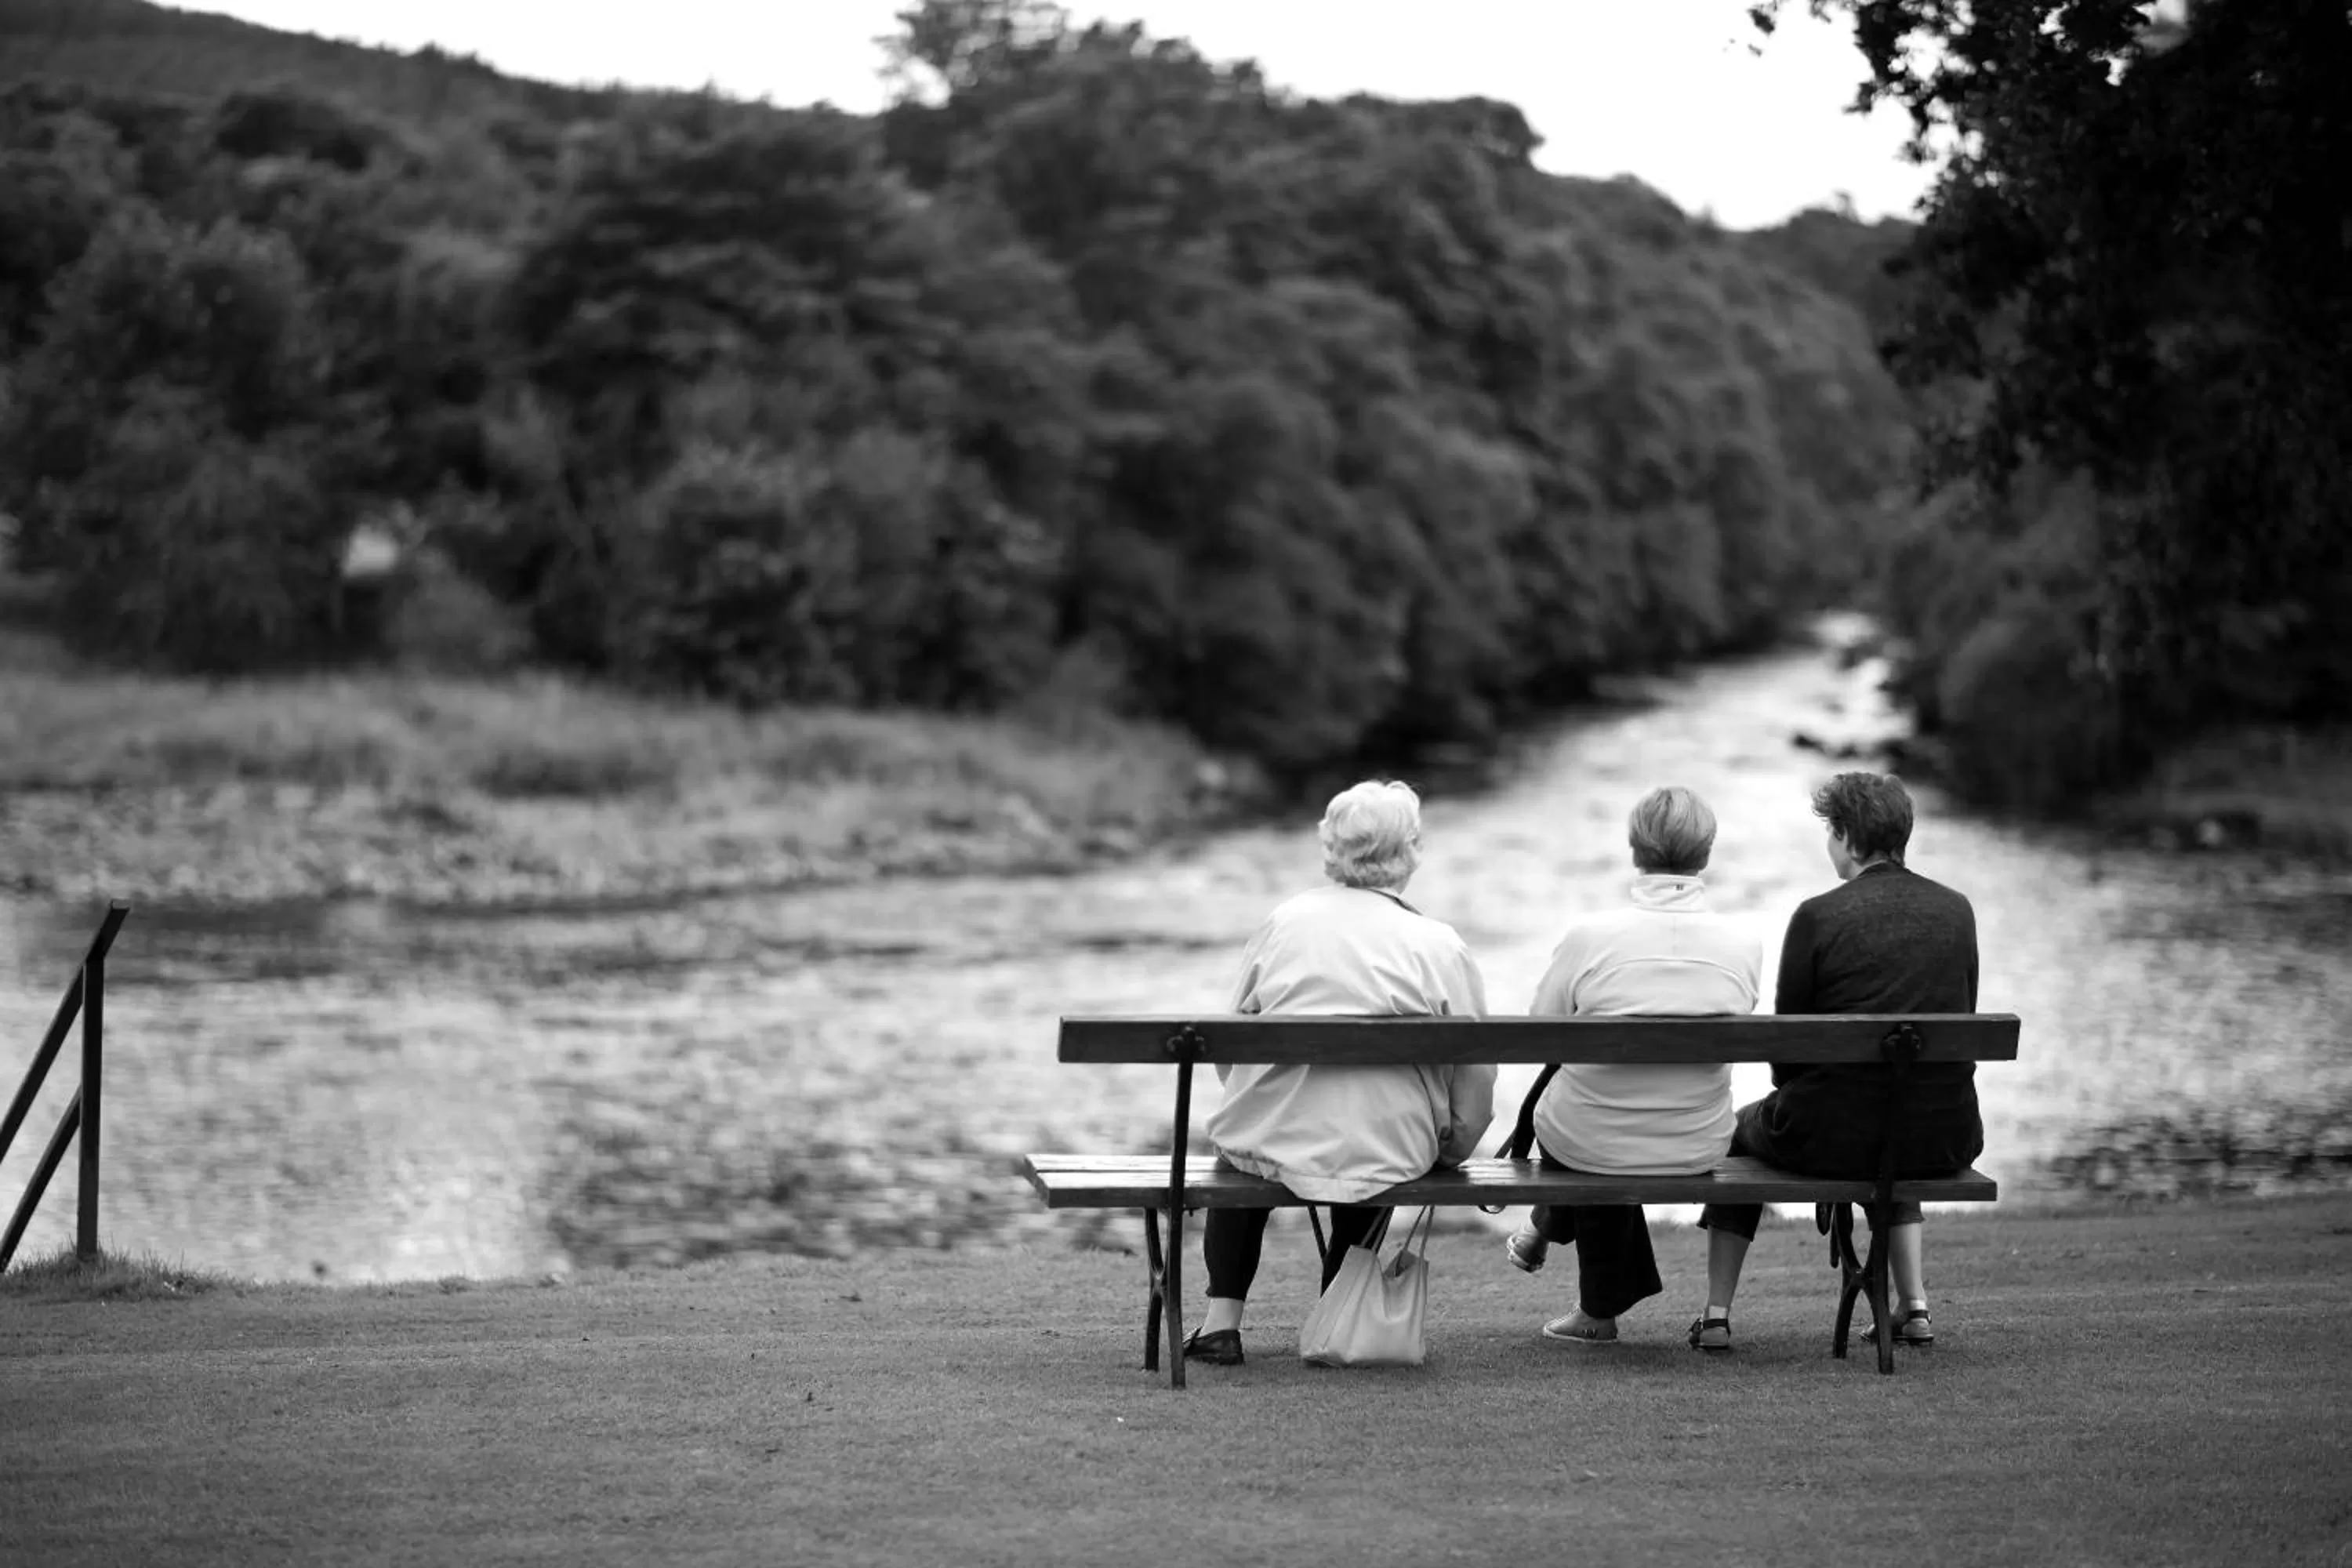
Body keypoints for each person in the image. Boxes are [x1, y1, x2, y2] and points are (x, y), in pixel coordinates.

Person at [1186, 779, 1495, 1367]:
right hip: (1389, 1144)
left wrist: (1254, 1104)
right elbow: (1476, 1067)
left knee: (1240, 1145)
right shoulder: (1439, 944)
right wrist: (1456, 1142)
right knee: (1378, 1139)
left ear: (1331, 848)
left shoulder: (1284, 924)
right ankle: (1337, 1310)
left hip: (1273, 1136)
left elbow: (1232, 1041)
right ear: (1410, 851)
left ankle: (1221, 1324)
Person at [1690, 771, 1983, 1353]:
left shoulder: (1817, 917)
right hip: (1943, 1135)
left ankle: (1717, 1315)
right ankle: (1914, 1306)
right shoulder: (1957, 911)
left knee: (1738, 1133)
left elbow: (1787, 1052)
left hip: (1831, 1137)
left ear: (1847, 837)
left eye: (1831, 832)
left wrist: (1802, 1093)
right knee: (1896, 1105)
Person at [1502, 786, 1762, 1345]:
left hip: (1590, 1143)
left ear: (1634, 848)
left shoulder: (1589, 936)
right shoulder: (1743, 942)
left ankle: (1593, 1304)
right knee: (1601, 1114)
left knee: (1587, 1119)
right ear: (1706, 852)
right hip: (1696, 1143)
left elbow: (1538, 1031)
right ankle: (1560, 1252)